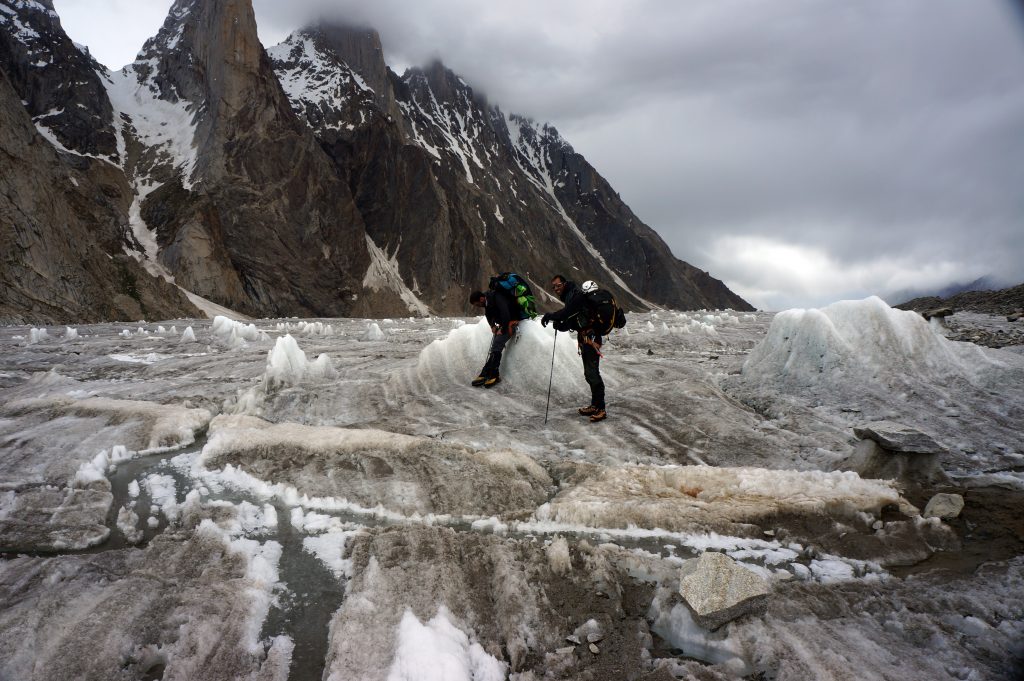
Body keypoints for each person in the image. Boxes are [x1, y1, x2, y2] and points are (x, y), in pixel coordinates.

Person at [541, 275, 606, 422]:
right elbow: (573, 320)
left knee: (592, 373)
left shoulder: (575, 295)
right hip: (585, 338)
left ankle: (601, 409)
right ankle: (595, 405)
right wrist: (561, 325)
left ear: (564, 283)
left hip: (591, 338)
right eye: (554, 287)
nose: (556, 289)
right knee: (590, 374)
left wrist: (551, 316)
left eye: (558, 285)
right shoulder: (571, 296)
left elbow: (567, 313)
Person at [469, 288, 521, 387]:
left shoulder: (496, 297)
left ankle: (494, 375)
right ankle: (487, 372)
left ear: (481, 299)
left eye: (476, 304)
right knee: (495, 346)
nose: (477, 306)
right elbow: (488, 315)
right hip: (504, 323)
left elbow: (505, 312)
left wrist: (503, 328)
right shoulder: (487, 301)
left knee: (497, 344)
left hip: (512, 322)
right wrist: (493, 326)